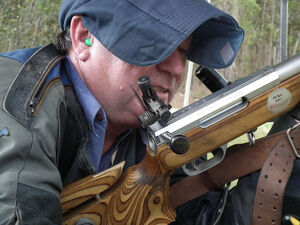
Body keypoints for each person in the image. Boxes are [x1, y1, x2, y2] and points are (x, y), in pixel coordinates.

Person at [0, 0, 246, 224]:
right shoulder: (16, 102)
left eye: (183, 52)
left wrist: (269, 178)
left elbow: (205, 216)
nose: (176, 68)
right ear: (84, 36)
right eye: (155, 43)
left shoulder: (154, 132)